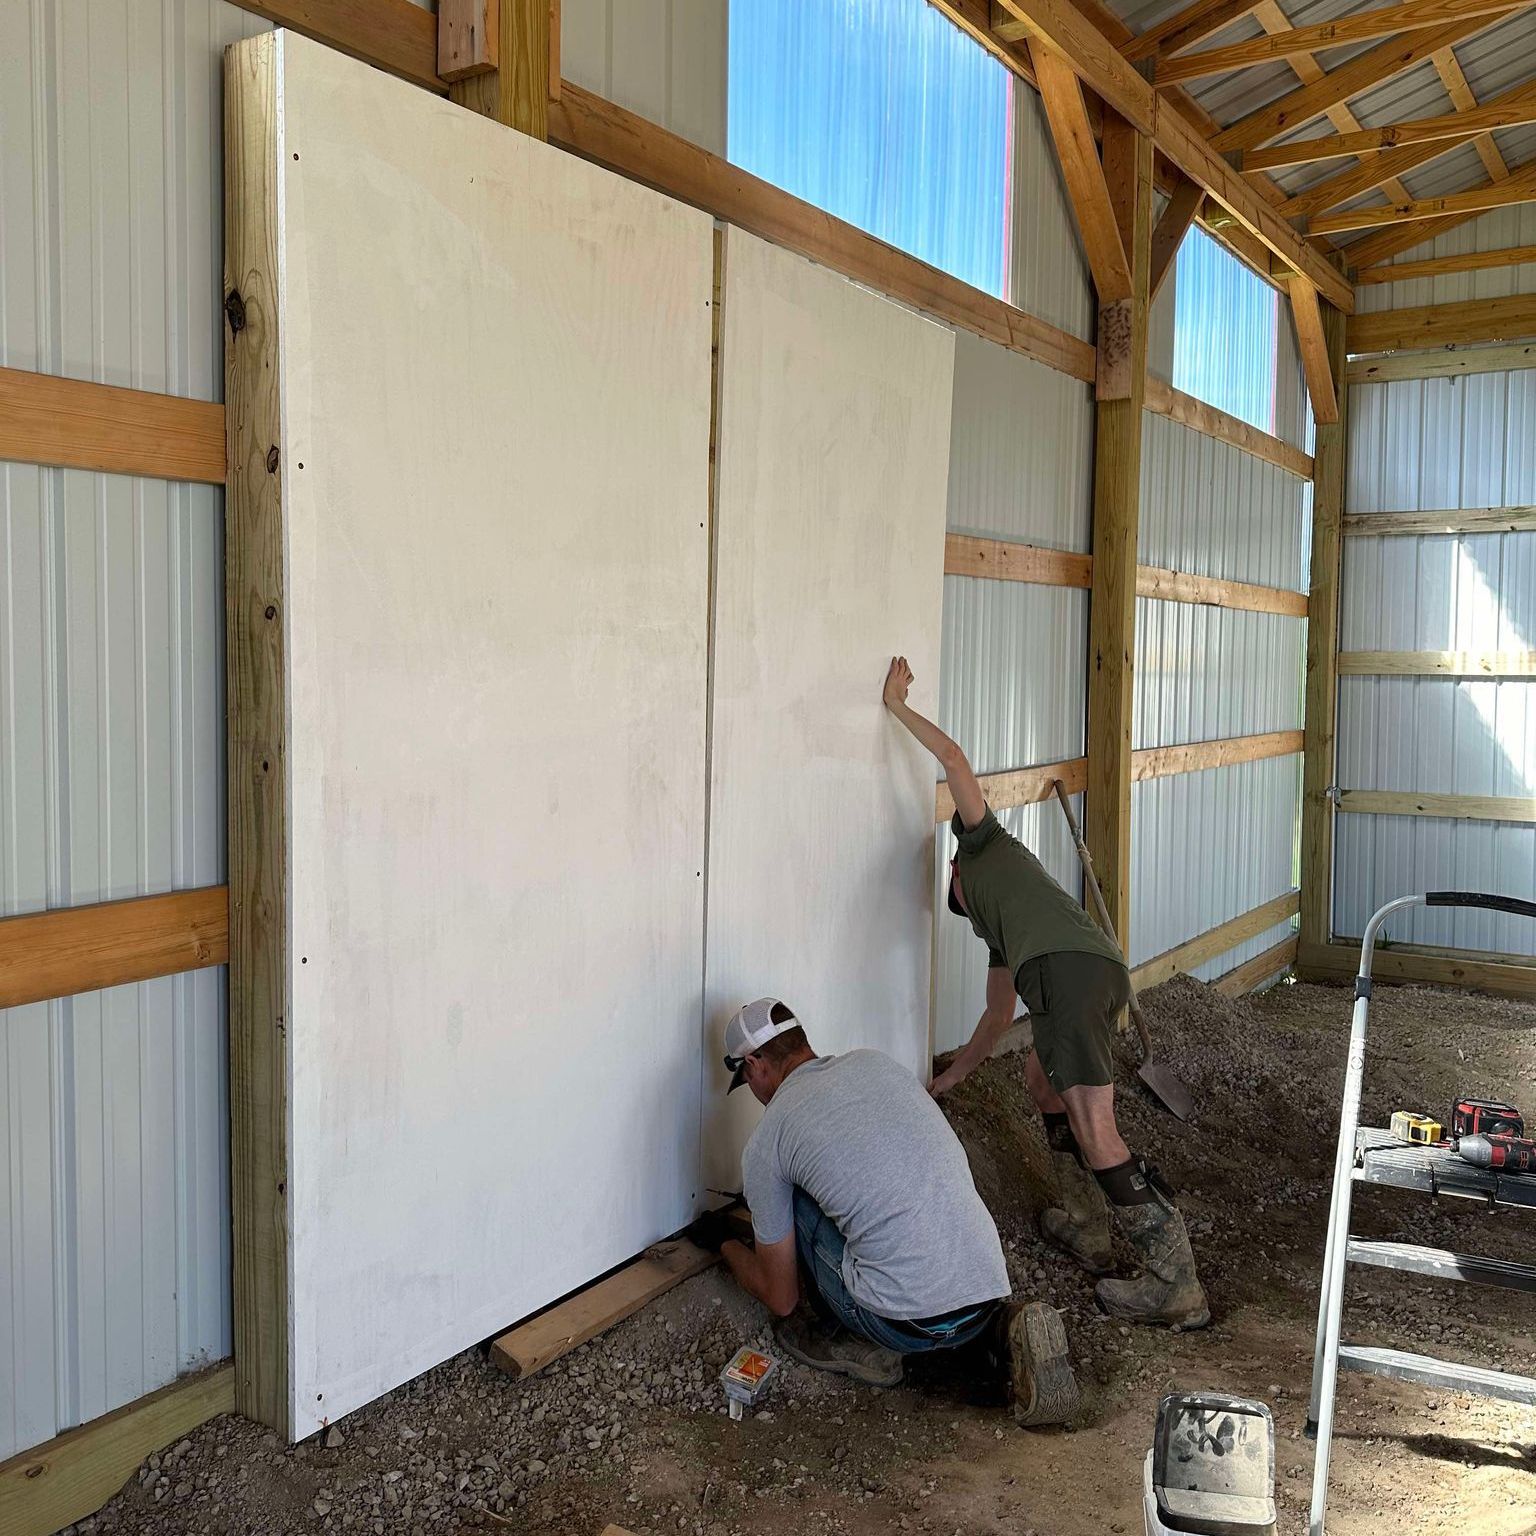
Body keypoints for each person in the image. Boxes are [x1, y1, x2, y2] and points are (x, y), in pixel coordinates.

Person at [881, 655, 1208, 1331]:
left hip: (1067, 976)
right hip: (1094, 971)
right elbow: (997, 1019)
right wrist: (949, 1082)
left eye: (958, 903)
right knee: (1039, 1080)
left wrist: (895, 705)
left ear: (954, 873)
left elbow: (953, 757)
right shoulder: (1004, 926)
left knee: (1097, 1131)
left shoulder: (980, 845)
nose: (967, 912)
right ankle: (1087, 1227)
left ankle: (1175, 1283)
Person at [705, 996, 1078, 1427]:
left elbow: (781, 1298)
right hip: (984, 1288)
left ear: (754, 1064)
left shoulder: (771, 1137)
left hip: (903, 1324)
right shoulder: (875, 1063)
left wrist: (724, 1243)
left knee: (794, 1198)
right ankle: (1002, 1329)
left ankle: (856, 1341)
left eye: (746, 1080)